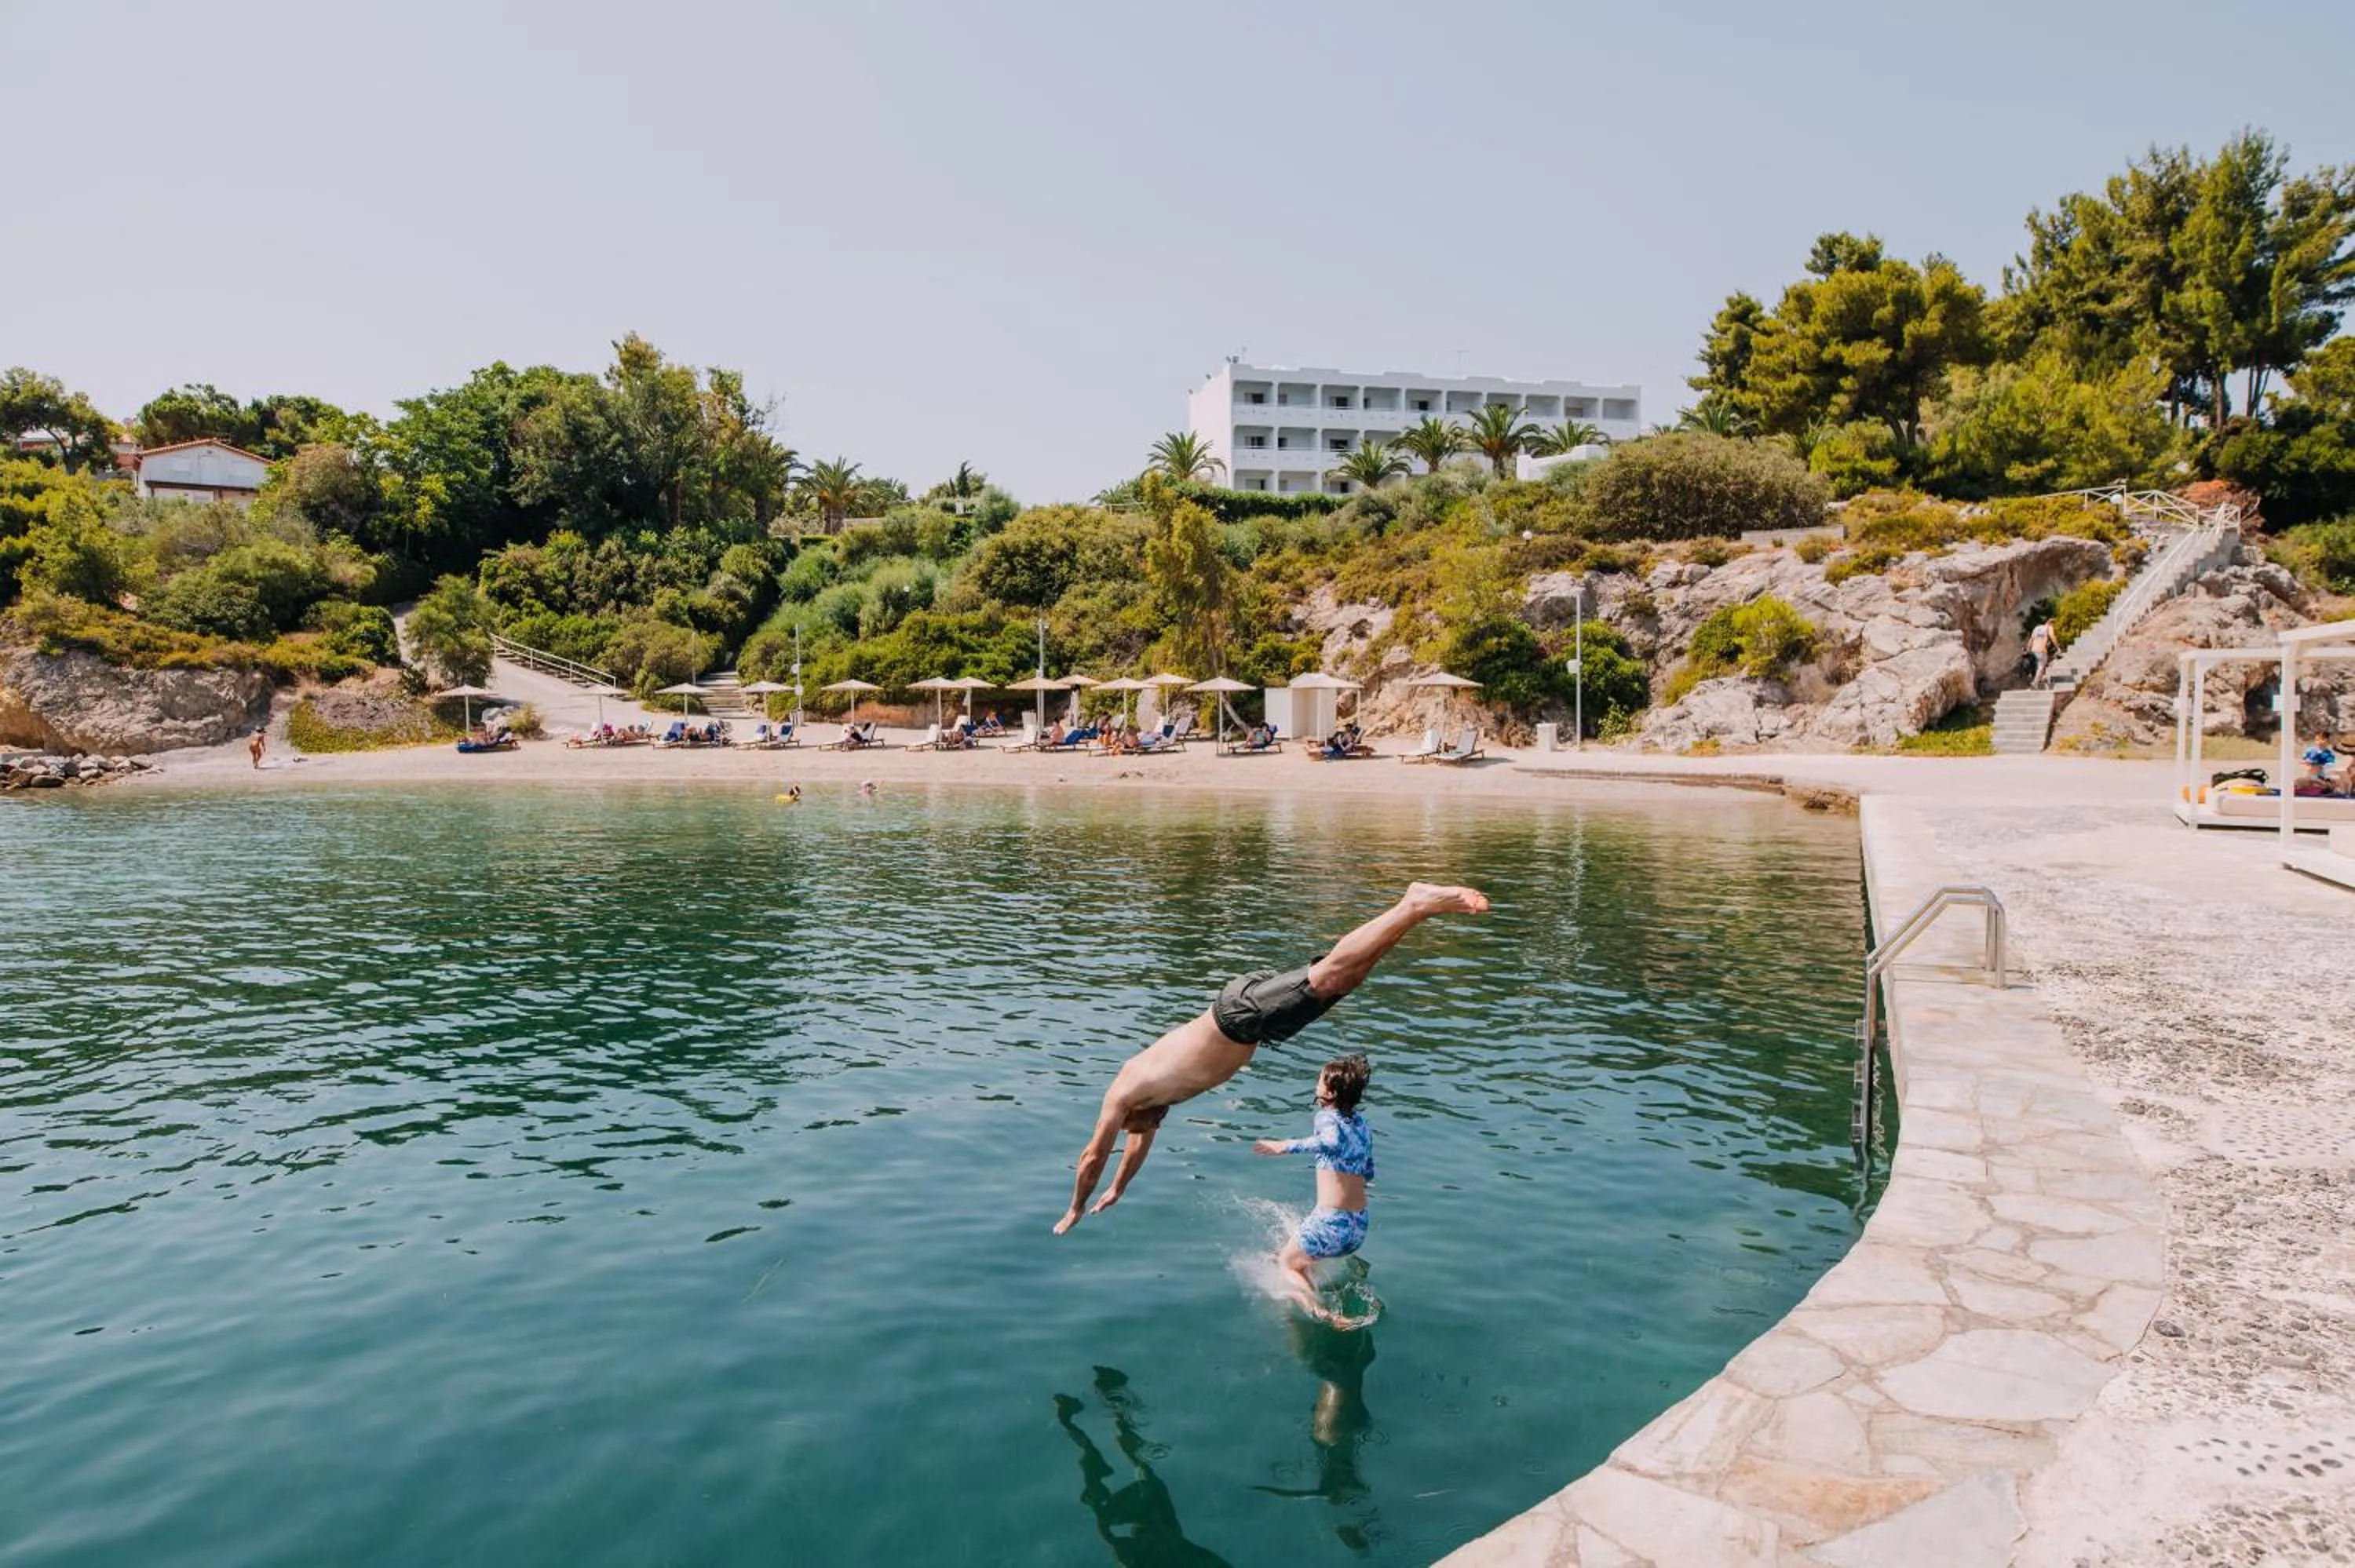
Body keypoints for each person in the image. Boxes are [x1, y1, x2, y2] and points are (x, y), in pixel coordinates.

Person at [1053, 882, 1488, 1234]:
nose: (1150, 1130)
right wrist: (1118, 1190)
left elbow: (1094, 1154)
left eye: (1140, 1128)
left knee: (1335, 973)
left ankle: (1414, 902)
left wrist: (1076, 1207)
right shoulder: (1147, 1106)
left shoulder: (1123, 1094)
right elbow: (1135, 1149)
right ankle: (1414, 913)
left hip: (1237, 1016)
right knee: (1348, 977)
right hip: (1257, 1027)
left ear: (1131, 1117)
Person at [1255, 1055, 1375, 1323]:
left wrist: (1285, 1145)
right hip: (1359, 1226)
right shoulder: (1363, 1126)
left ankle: (1324, 1313)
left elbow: (1330, 1141)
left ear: (1331, 1092)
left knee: (1287, 1264)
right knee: (1298, 1248)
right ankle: (1310, 1266)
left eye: (1320, 1080)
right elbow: (1368, 1170)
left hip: (1332, 1223)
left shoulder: (1326, 1117)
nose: (1316, 1084)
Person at [2028, 618, 2055, 689]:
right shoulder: (2049, 627)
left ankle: (2042, 678)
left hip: (2034, 650)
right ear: (2051, 623)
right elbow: (2053, 637)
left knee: (2041, 665)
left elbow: (2031, 639)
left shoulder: (2036, 628)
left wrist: (2028, 649)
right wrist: (2058, 647)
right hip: (2042, 650)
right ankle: (2035, 683)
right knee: (2042, 666)